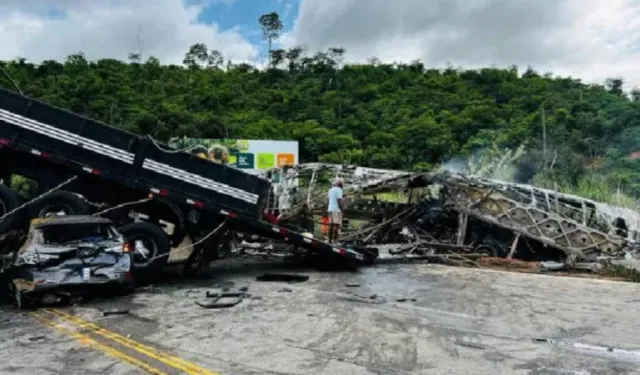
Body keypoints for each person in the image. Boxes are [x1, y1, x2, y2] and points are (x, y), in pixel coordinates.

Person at [327, 178, 345, 243]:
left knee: (330, 226)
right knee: (336, 226)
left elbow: (328, 200)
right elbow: (339, 201)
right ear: (341, 184)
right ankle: (335, 241)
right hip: (336, 210)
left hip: (330, 209)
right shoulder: (339, 190)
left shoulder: (330, 190)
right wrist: (342, 210)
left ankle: (329, 240)